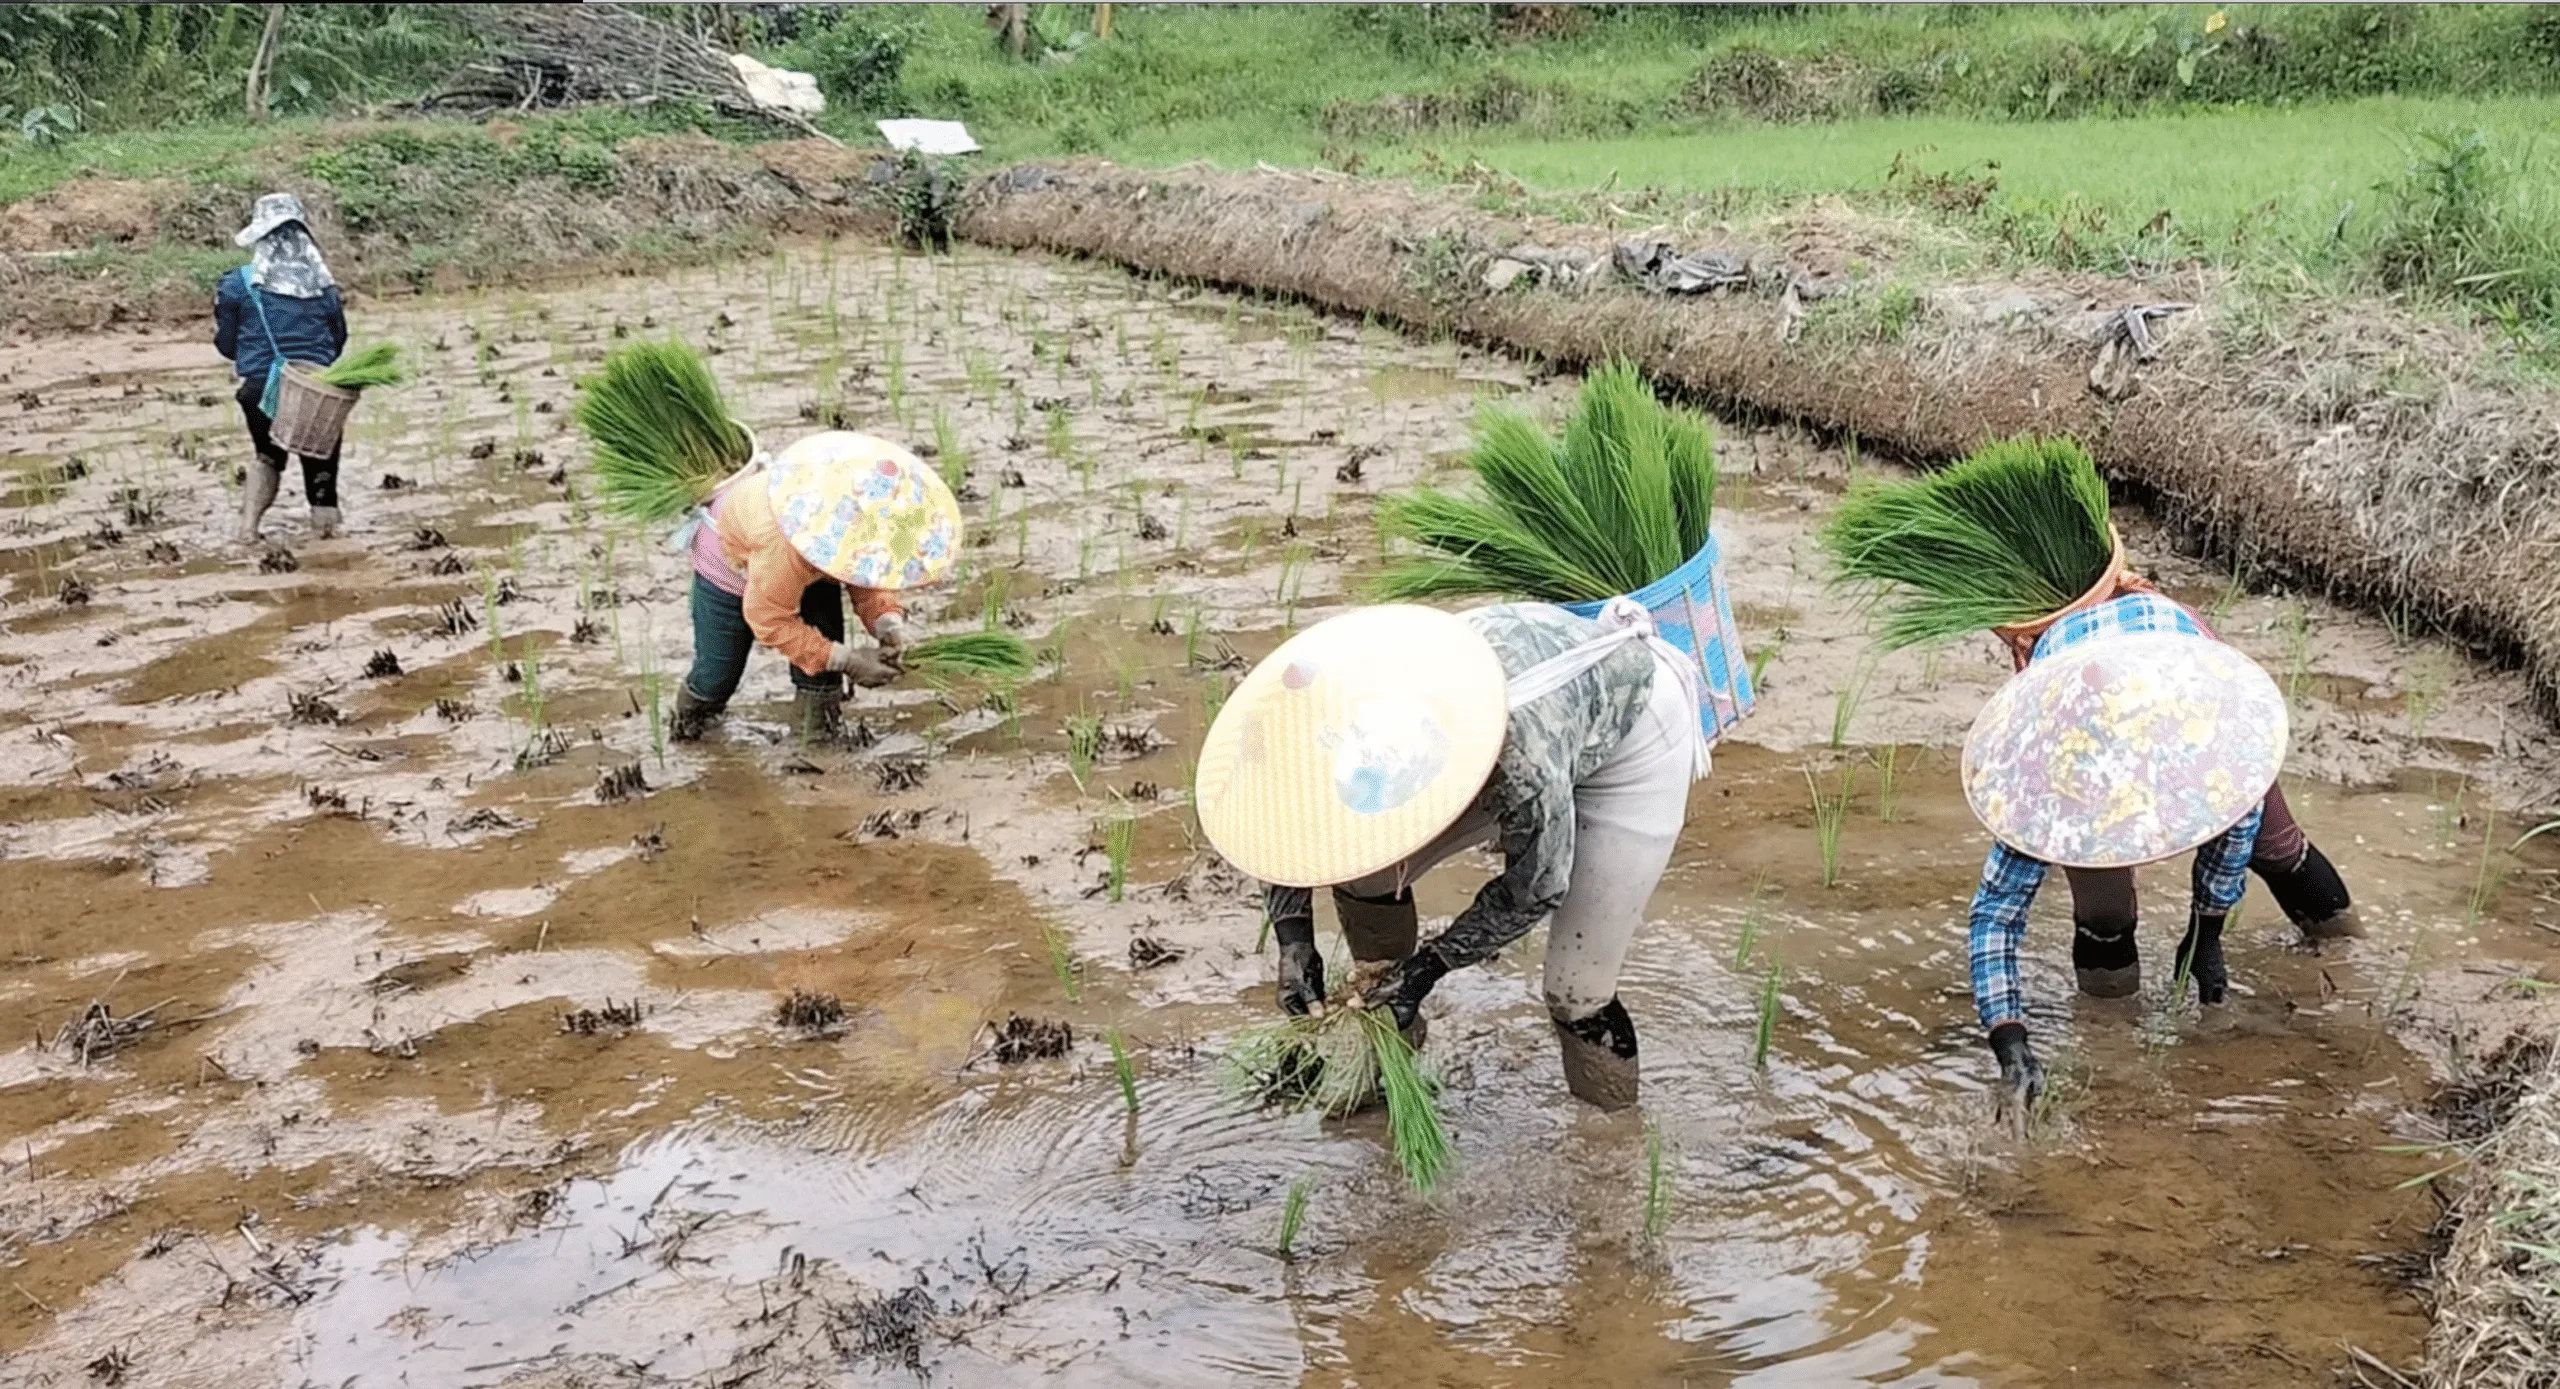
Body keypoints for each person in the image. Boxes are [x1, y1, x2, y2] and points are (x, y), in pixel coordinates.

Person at [1194, 600, 1712, 1111]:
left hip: (1629, 736)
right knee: (1365, 868)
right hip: (1480, 715)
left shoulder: (1518, 762)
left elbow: (1537, 888)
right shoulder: (1321, 721)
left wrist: (1427, 969)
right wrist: (1293, 942)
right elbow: (1286, 824)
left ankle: (1610, 1148)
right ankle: (1388, 1029)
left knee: (1577, 992)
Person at [1965, 592, 2292, 1118]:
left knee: (2275, 844)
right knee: (2104, 913)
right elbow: (1994, 916)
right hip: (2070, 680)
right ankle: (2108, 1021)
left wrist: (2206, 930)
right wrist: (2010, 1041)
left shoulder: (2201, 745)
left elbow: (2237, 822)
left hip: (2167, 647)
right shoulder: (2051, 775)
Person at [672, 431, 955, 744]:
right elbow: (768, 620)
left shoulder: (857, 520)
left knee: (821, 674)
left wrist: (886, 622)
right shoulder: (782, 547)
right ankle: (689, 726)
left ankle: (817, 737)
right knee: (717, 673)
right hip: (729, 578)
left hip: (807, 570)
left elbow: (867, 569)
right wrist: (848, 661)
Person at [212, 192, 348, 543]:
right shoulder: (324, 288)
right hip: (315, 389)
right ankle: (329, 540)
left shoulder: (237, 285)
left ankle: (248, 532)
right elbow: (338, 341)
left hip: (260, 389)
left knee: (266, 458)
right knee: (320, 464)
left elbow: (226, 345)